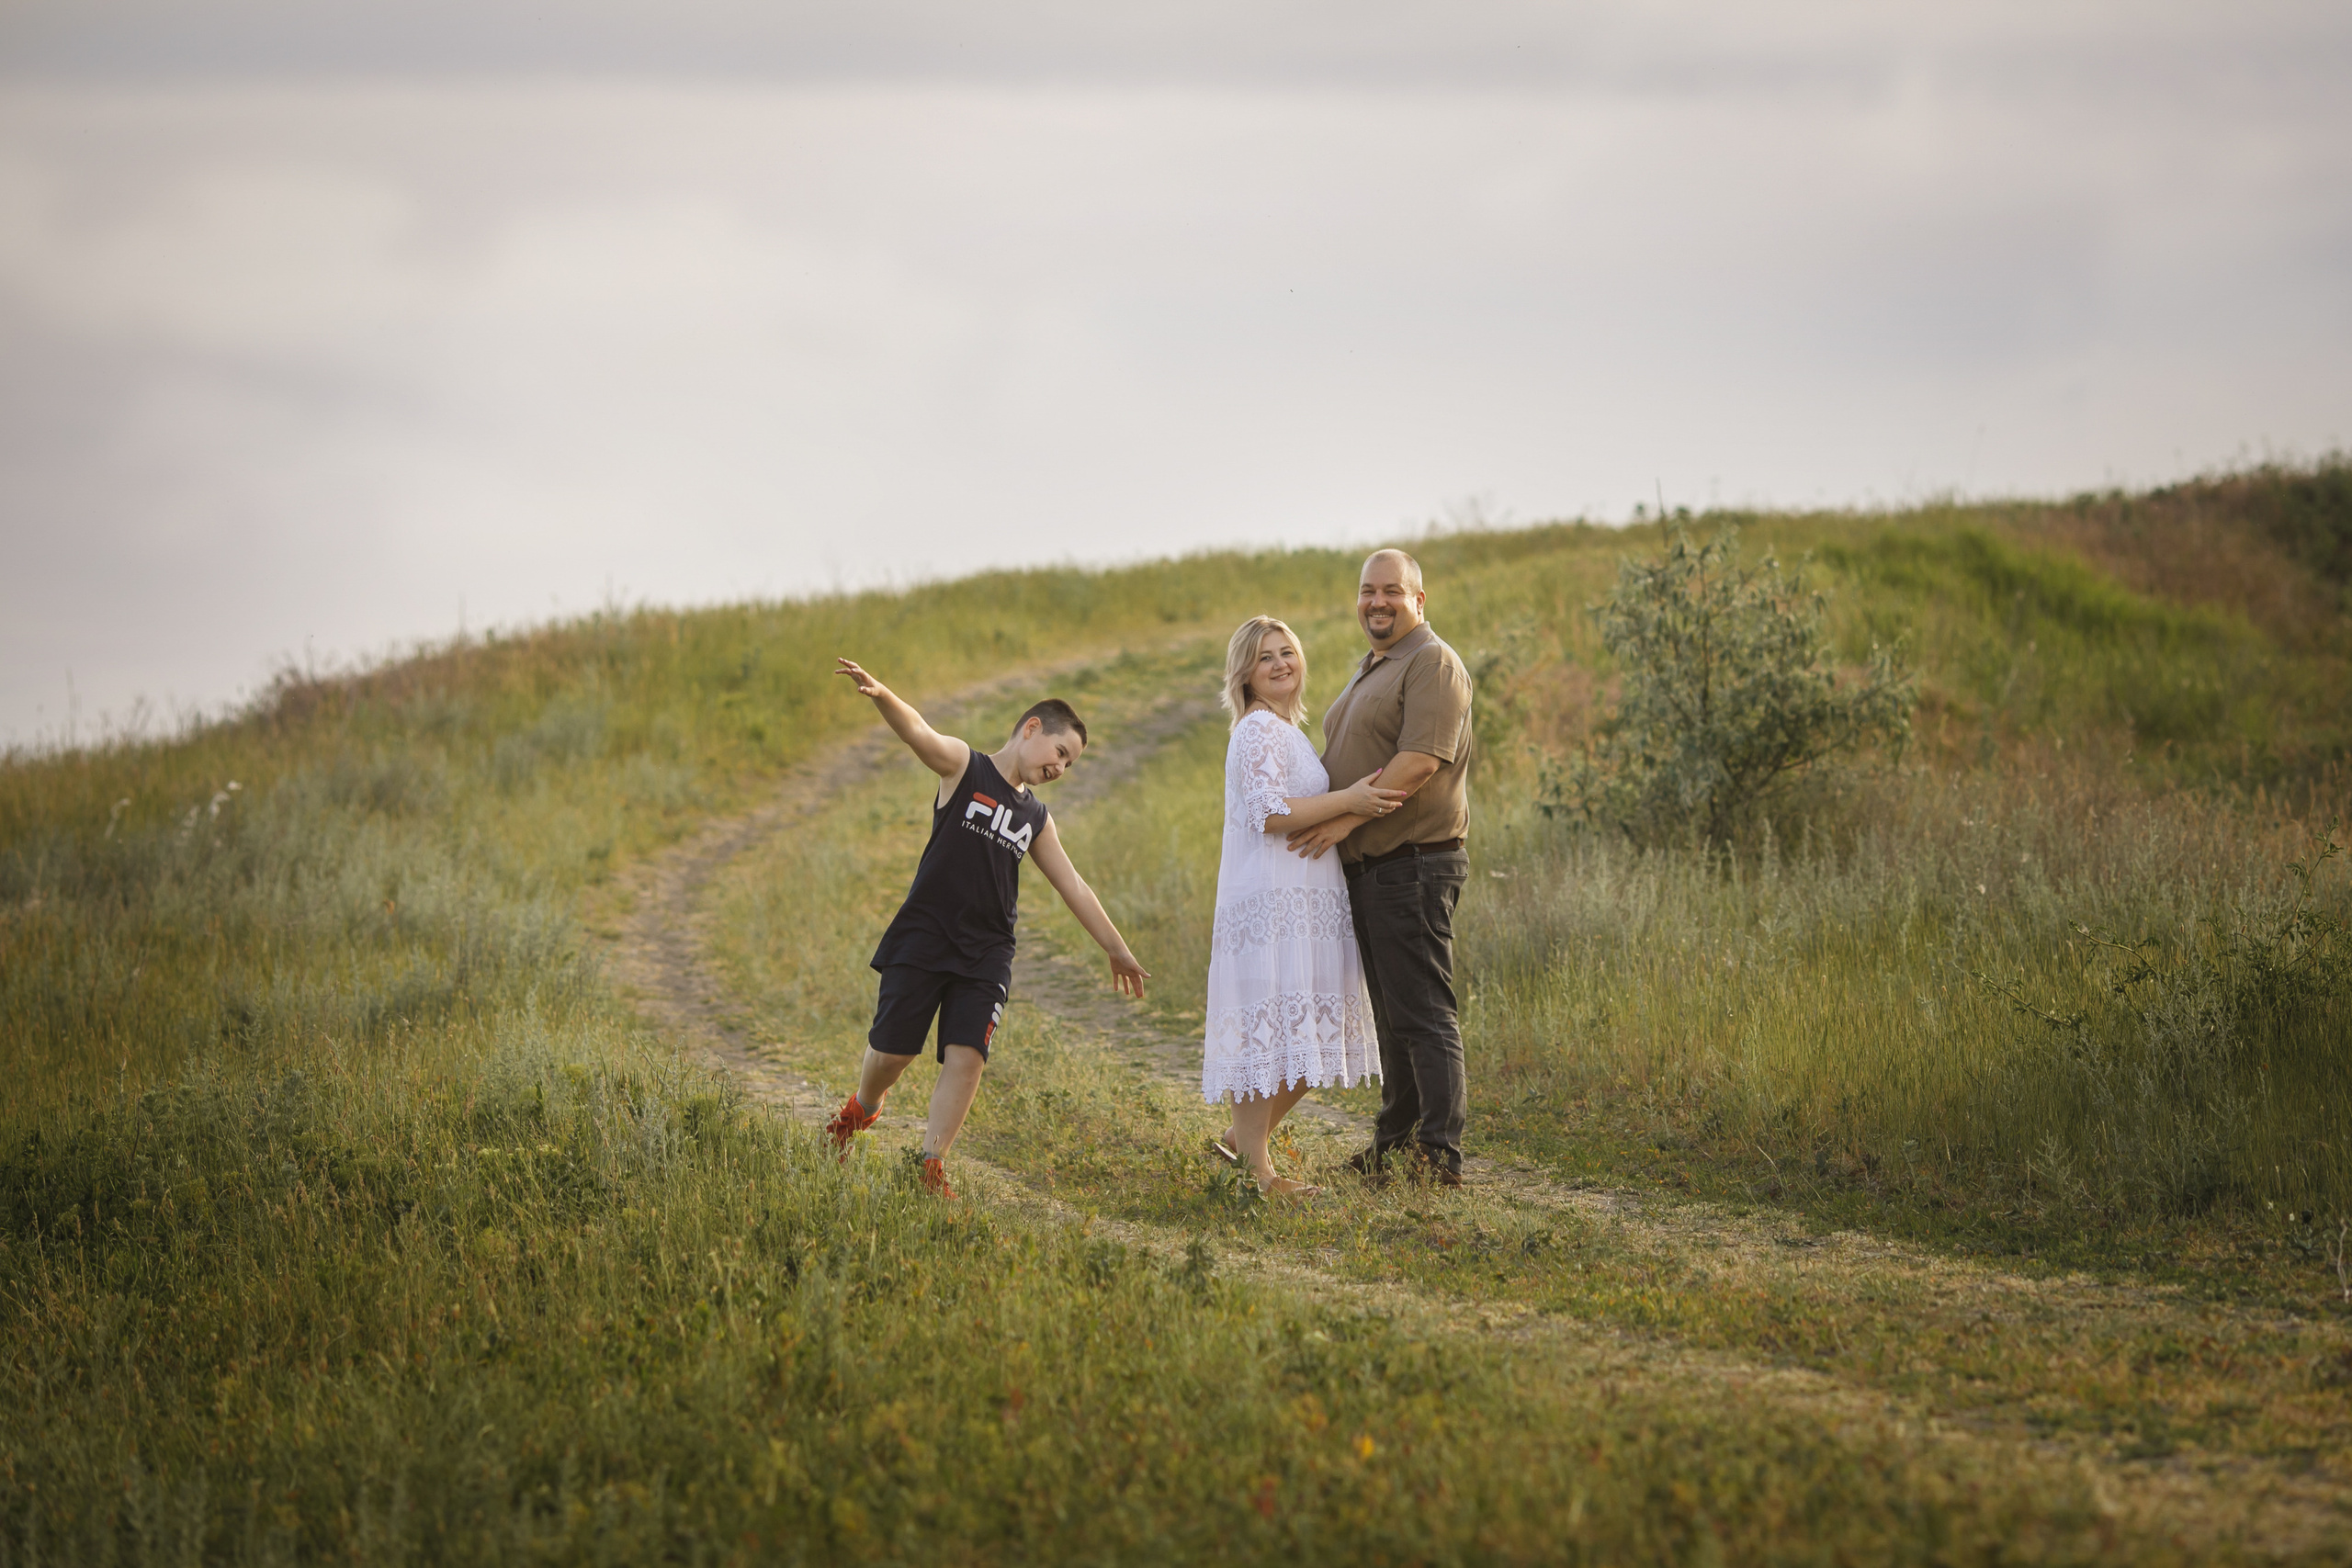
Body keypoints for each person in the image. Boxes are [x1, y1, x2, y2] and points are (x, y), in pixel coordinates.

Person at [823, 659, 1149, 1198]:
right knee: (892, 1056)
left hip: (987, 953)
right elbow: (920, 733)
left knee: (968, 1055)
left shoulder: (1036, 818)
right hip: (925, 935)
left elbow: (1075, 886)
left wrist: (1116, 949)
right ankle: (865, 1106)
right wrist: (882, 695)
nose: (1061, 768)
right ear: (1031, 729)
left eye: (1071, 765)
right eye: (1060, 753)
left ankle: (930, 1166)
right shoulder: (964, 767)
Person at [1285, 550, 1475, 1186]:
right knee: (1393, 1017)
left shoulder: (1431, 663)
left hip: (1412, 863)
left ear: (1420, 599)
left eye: (1392, 590)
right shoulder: (1376, 667)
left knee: (1422, 1011)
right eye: (1368, 590)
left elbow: (1420, 758)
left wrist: (1343, 821)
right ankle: (1395, 1143)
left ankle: (1439, 1154)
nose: (1377, 601)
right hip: (1372, 869)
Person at [1202, 616, 1405, 1196]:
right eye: (1266, 657)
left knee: (1308, 1038)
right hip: (1273, 901)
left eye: (1287, 652)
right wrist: (1353, 800)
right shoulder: (1258, 730)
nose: (1281, 663)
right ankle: (1258, 1175)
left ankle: (1241, 1150)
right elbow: (1267, 812)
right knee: (1274, 1031)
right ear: (1245, 673)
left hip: (1303, 899)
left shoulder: (1284, 730)